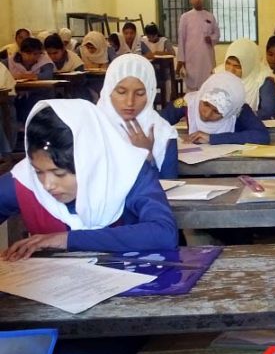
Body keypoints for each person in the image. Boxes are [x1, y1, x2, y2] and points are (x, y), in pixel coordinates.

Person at [0, 100, 178, 261]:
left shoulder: (127, 172)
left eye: (59, 173)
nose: (48, 185)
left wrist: (65, 239)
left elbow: (163, 233)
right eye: (38, 172)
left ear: (90, 162)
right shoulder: (24, 180)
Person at [97, 54, 180, 179]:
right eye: (121, 92)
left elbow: (170, 187)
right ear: (109, 90)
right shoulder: (91, 127)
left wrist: (147, 156)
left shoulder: (163, 134)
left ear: (151, 93)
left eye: (140, 93)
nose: (130, 102)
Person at [159, 72, 269, 145]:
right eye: (206, 105)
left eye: (217, 112)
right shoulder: (188, 103)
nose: (206, 115)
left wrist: (213, 138)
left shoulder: (238, 110)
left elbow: (262, 136)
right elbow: (157, 120)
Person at [217, 38, 275, 120]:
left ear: (248, 66)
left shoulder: (263, 80)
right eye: (228, 64)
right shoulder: (219, 75)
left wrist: (235, 117)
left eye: (237, 66)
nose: (231, 70)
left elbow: (269, 112)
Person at [176, 0, 220, 91]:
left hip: (207, 59)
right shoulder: (185, 17)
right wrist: (181, 61)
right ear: (191, 0)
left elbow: (217, 34)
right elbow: (181, 40)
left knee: (208, 87)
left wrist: (212, 39)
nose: (197, 0)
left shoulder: (210, 16)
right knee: (192, 90)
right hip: (191, 59)